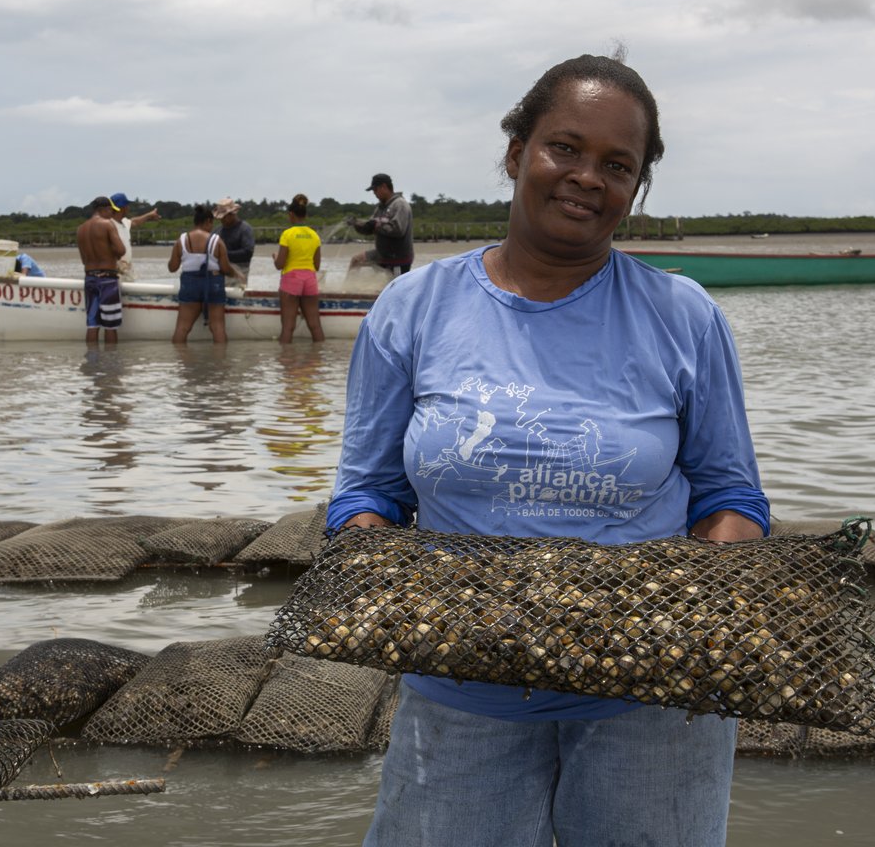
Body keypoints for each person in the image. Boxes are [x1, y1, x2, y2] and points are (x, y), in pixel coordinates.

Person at [326, 53, 770, 847]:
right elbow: (367, 493)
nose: (587, 177)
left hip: (653, 698)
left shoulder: (684, 316)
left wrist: (684, 604)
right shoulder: (413, 308)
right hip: (460, 691)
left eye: (618, 165)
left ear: (636, 187)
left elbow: (731, 498)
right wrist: (383, 571)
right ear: (515, 153)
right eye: (564, 148)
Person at [167, 204, 240, 343]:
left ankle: (179, 356)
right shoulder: (216, 240)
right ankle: (220, 356)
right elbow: (225, 268)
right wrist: (236, 274)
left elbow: (172, 268)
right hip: (213, 284)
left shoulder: (181, 240)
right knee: (217, 327)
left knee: (182, 328)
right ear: (208, 221)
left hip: (190, 285)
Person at [273, 193, 325, 344]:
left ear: (291, 214)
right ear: (305, 215)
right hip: (310, 279)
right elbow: (317, 266)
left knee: (288, 327)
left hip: (291, 280)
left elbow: (280, 265)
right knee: (315, 325)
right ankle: (319, 355)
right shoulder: (314, 235)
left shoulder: (287, 234)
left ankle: (285, 356)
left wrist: (275, 257)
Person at [77, 196, 128, 344]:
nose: (112, 214)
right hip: (108, 279)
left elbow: (83, 260)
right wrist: (111, 252)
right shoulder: (107, 225)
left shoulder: (81, 229)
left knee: (92, 324)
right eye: (111, 211)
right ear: (104, 209)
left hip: (89, 278)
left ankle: (92, 357)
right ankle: (110, 357)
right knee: (110, 326)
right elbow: (121, 250)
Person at [347, 173, 413, 275]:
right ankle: (348, 285)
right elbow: (369, 227)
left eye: (375, 190)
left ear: (384, 187)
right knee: (356, 260)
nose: (374, 193)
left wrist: (376, 225)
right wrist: (356, 223)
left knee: (394, 284)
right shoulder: (380, 207)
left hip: (398, 258)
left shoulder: (400, 204)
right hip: (382, 255)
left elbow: (398, 230)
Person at [106, 191, 161, 280]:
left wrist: (149, 215)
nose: (128, 208)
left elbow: (134, 221)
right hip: (115, 270)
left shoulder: (124, 222)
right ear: (122, 208)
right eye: (127, 205)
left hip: (127, 268)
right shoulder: (108, 225)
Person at [212, 197, 255, 287]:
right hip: (219, 272)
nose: (222, 219)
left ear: (232, 214)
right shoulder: (217, 231)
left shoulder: (244, 229)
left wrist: (223, 255)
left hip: (239, 270)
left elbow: (248, 252)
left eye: (224, 217)